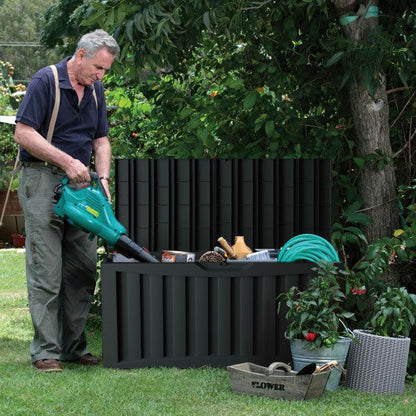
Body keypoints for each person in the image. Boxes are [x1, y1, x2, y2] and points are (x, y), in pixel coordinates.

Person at [14, 29, 120, 372]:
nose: (101, 76)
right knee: (47, 270)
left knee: (83, 267)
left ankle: (74, 347)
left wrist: (102, 178)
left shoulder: (95, 91)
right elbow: (24, 133)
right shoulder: (45, 81)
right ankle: (46, 351)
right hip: (42, 179)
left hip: (82, 187)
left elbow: (101, 141)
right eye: (98, 68)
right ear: (79, 55)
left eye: (105, 70)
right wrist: (67, 161)